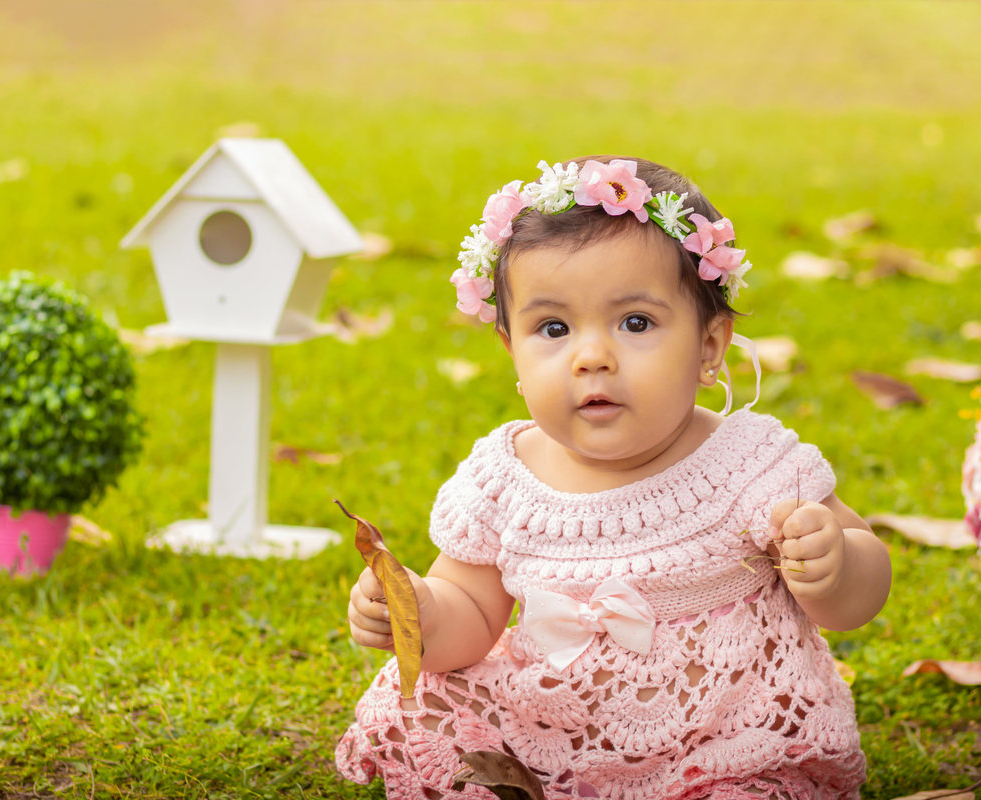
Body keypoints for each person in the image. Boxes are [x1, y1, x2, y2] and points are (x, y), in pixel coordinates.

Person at [337, 156, 892, 799]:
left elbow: (860, 597)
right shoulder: (504, 478)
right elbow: (471, 616)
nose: (592, 357)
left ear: (710, 346)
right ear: (512, 352)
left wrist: (835, 563)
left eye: (635, 323)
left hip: (722, 742)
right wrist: (422, 613)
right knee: (428, 705)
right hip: (554, 727)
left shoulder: (753, 463)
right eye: (553, 328)